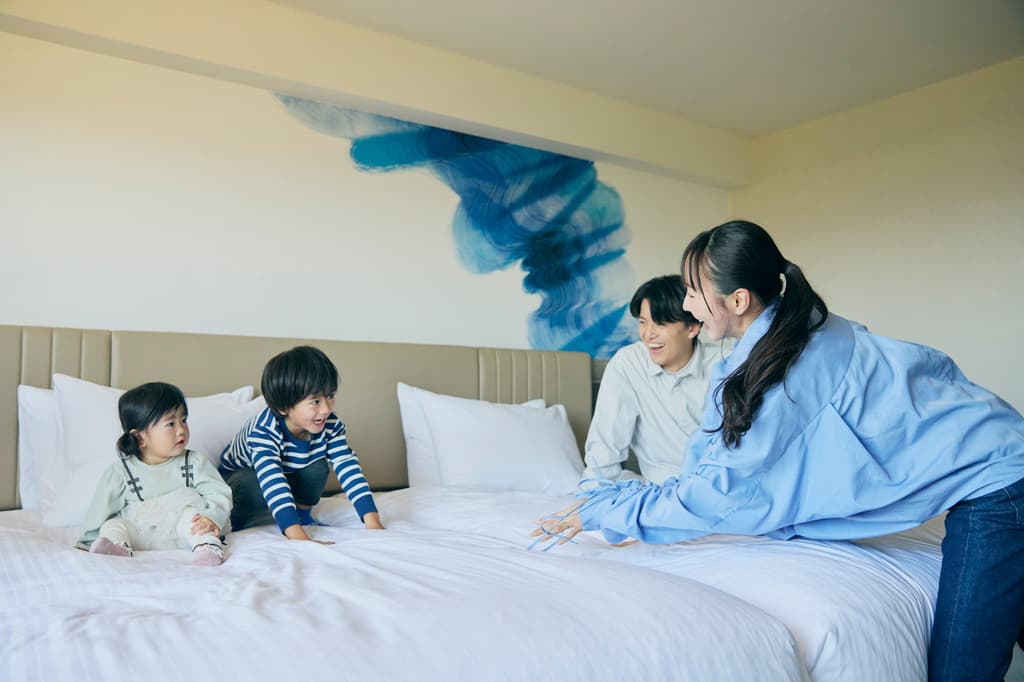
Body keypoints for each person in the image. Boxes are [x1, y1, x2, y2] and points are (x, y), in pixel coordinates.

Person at [534, 220, 1024, 681]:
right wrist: (634, 505)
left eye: (693, 292)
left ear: (738, 300)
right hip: (998, 447)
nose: (686, 305)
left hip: (998, 479)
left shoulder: (786, 371)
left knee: (960, 672)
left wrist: (613, 511)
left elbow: (716, 492)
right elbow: (710, 467)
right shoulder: (792, 331)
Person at [220, 345, 383, 543]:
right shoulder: (264, 430)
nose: (326, 409)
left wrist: (373, 522)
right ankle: (236, 519)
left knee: (318, 466)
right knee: (251, 483)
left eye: (330, 396)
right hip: (242, 480)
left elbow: (347, 467)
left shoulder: (330, 424)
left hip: (288, 472)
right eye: (315, 401)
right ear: (283, 407)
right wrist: (298, 537)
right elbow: (272, 479)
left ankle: (302, 514)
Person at [581, 275, 725, 486]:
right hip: (662, 492)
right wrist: (589, 498)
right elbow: (604, 451)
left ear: (693, 327)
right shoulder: (628, 365)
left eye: (660, 323)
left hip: (720, 488)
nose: (648, 334)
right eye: (643, 322)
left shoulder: (725, 364)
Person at [77, 382, 231, 566]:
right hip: (141, 535)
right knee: (113, 524)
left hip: (181, 531)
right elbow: (100, 510)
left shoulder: (193, 462)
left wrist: (211, 516)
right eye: (171, 423)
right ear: (140, 437)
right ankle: (117, 549)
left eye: (184, 420)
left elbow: (218, 492)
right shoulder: (120, 473)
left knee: (193, 517)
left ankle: (207, 548)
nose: (181, 430)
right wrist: (87, 541)